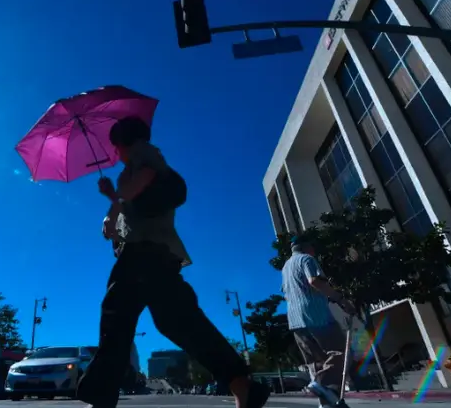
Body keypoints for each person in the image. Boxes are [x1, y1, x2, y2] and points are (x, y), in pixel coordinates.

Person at [76, 116, 270, 408]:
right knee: (178, 321)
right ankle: (241, 384)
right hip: (156, 255)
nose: (115, 153)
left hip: (143, 255)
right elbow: (134, 208)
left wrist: (113, 199)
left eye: (116, 146)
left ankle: (100, 397)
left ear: (126, 141)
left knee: (117, 318)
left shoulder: (143, 154)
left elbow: (144, 180)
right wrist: (113, 217)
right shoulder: (137, 164)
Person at [282, 235, 355, 407]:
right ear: (307, 246)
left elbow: (285, 292)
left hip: (295, 320)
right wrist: (342, 300)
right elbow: (314, 281)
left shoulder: (285, 268)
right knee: (341, 352)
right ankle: (322, 385)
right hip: (316, 316)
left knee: (317, 363)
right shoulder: (307, 259)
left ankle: (327, 403)